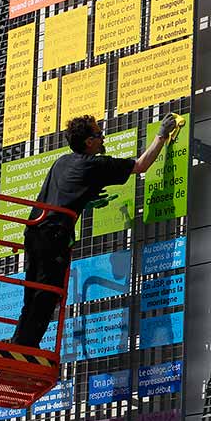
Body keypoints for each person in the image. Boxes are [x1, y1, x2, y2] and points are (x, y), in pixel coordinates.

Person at [12, 113, 179, 347]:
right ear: (89, 142)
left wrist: (84, 201)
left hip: (34, 232)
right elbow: (141, 165)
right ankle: (26, 348)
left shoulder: (61, 162)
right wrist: (161, 135)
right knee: (48, 294)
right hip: (55, 236)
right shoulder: (95, 165)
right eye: (99, 135)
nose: (103, 139)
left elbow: (64, 192)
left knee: (33, 294)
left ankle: (20, 343)